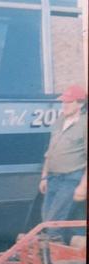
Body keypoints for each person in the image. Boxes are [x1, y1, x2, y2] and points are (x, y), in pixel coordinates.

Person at [39, 84, 87, 241]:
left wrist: (83, 186)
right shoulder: (60, 121)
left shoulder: (85, 124)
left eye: (68, 102)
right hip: (53, 178)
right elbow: (50, 151)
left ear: (80, 104)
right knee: (47, 220)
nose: (64, 105)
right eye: (63, 102)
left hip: (71, 179)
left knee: (54, 223)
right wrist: (45, 176)